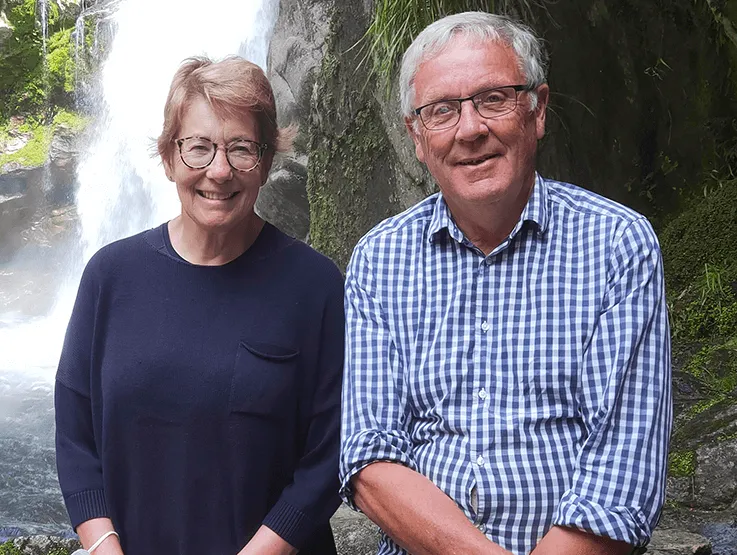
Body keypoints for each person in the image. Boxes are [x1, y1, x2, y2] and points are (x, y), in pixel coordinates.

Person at [340, 11, 671, 555]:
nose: (470, 129)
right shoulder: (380, 259)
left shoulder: (617, 246)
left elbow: (620, 478)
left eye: (494, 98)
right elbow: (368, 457)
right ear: (418, 137)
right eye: (441, 110)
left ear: (538, 110)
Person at [55, 56, 344, 555]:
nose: (219, 170)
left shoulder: (315, 285)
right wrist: (103, 545)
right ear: (168, 158)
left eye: (241, 149)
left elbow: (329, 453)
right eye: (199, 148)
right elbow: (75, 430)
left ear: (267, 162)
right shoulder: (109, 275)